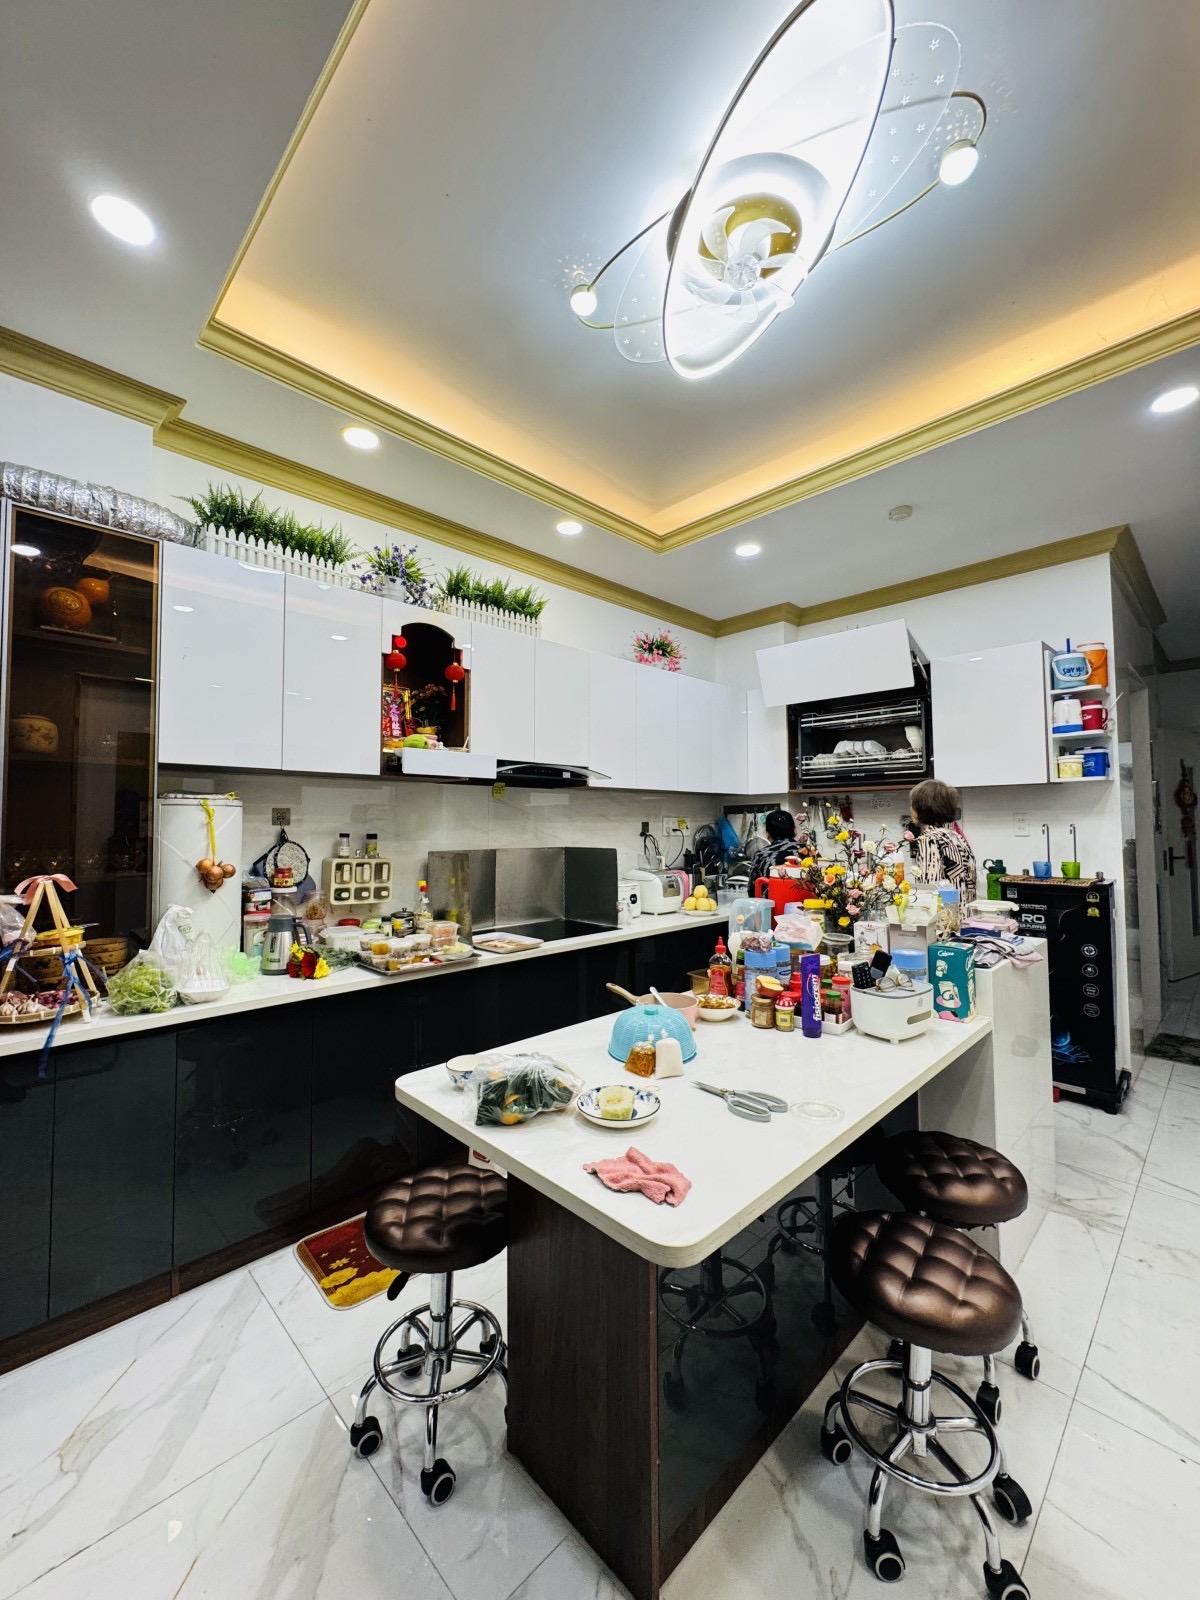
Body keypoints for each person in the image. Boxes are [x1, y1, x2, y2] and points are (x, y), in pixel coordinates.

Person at [908, 780, 978, 899]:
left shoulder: (929, 840)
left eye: (912, 804)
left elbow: (930, 890)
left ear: (921, 809)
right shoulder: (955, 836)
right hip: (965, 909)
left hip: (946, 910)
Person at [750, 809, 805, 885]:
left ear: (767, 832)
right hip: (806, 893)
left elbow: (752, 888)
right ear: (794, 829)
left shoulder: (760, 855)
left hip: (770, 893)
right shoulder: (808, 851)